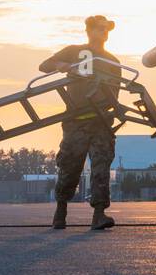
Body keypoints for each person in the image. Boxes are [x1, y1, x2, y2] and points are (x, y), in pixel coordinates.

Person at [40, 16, 122, 230]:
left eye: (107, 30)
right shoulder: (73, 51)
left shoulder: (112, 61)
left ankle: (99, 214)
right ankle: (60, 211)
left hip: (101, 122)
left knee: (101, 167)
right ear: (90, 31)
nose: (105, 33)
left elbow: (116, 93)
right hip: (76, 121)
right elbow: (44, 66)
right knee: (69, 166)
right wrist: (61, 64)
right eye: (101, 29)